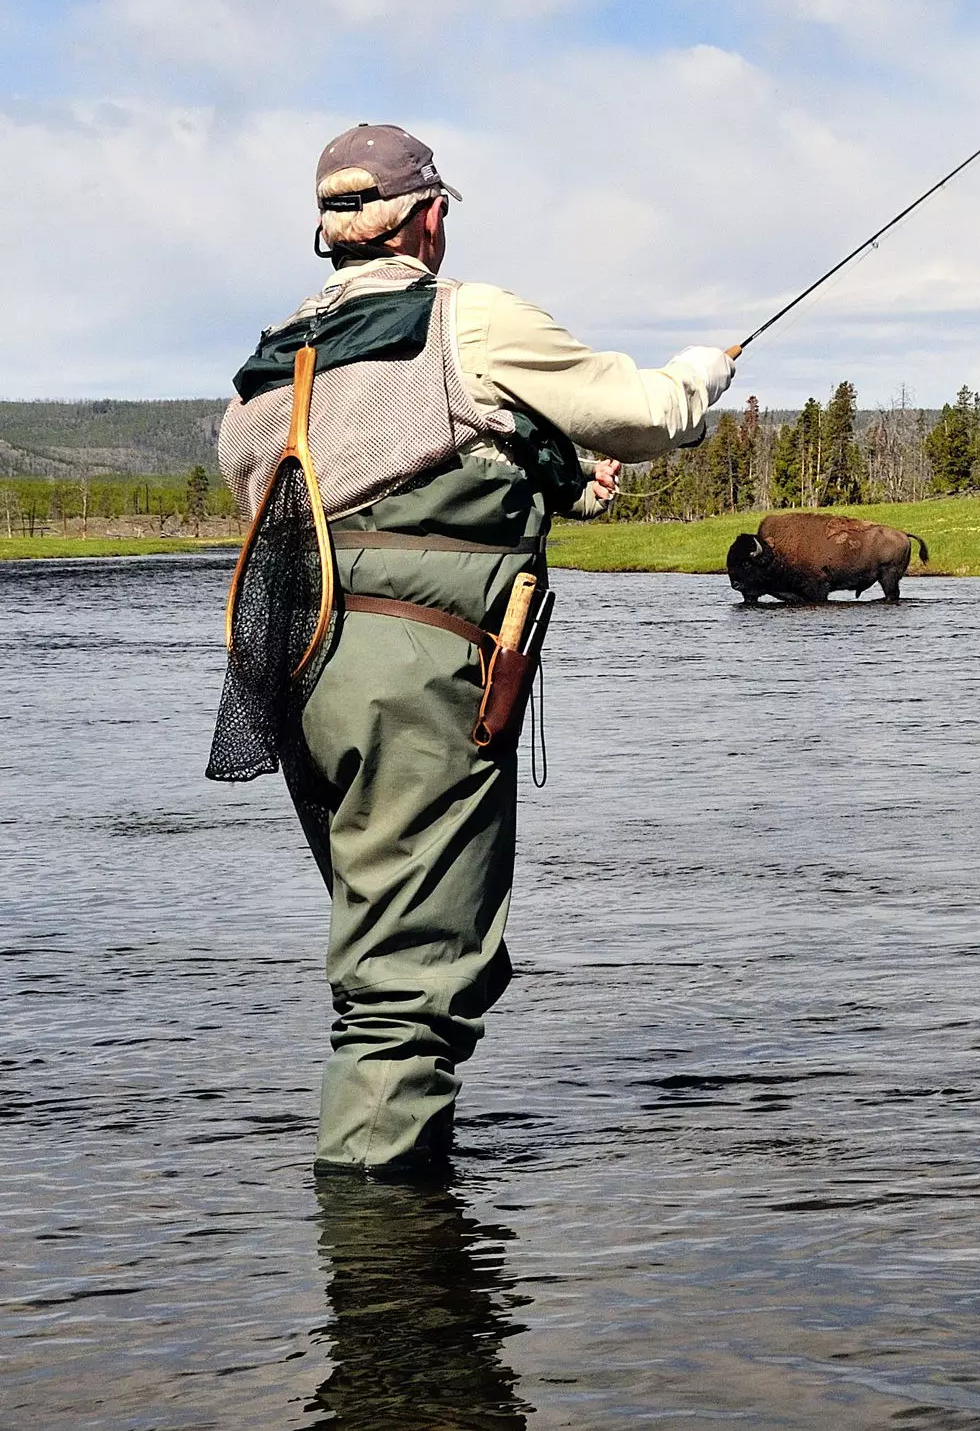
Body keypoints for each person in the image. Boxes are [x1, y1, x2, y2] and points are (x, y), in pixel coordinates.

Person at [216, 123, 734, 1176]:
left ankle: (398, 1220)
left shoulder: (267, 363)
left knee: (383, 950)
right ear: (432, 218)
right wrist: (700, 372)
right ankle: (386, 1269)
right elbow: (643, 412)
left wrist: (546, 475)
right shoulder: (469, 317)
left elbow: (372, 482)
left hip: (293, 675)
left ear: (332, 232)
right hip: (418, 677)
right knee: (407, 984)